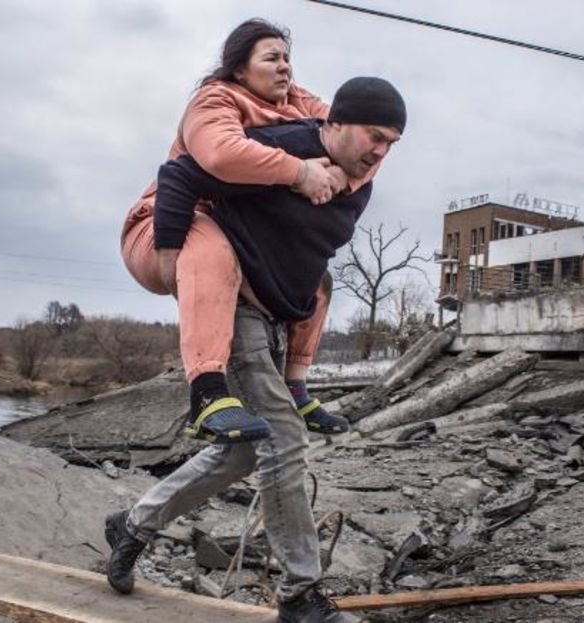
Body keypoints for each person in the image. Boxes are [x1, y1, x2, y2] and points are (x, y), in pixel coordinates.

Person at [107, 77, 406, 623]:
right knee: (285, 441)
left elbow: (306, 256)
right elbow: (180, 174)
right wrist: (175, 258)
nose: (381, 151)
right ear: (334, 124)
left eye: (391, 143)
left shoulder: (359, 183)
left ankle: (133, 523)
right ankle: (299, 595)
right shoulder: (286, 147)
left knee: (245, 449)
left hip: (273, 321)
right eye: (374, 135)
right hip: (234, 308)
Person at [121, 19, 362, 444]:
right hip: (166, 228)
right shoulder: (214, 99)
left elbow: (356, 138)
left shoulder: (300, 103)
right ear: (239, 69)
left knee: (318, 281)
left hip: (236, 243)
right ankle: (208, 393)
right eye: (271, 58)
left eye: (288, 58)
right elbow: (220, 155)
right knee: (207, 241)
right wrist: (299, 171)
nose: (285, 67)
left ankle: (297, 388)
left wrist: (344, 174)